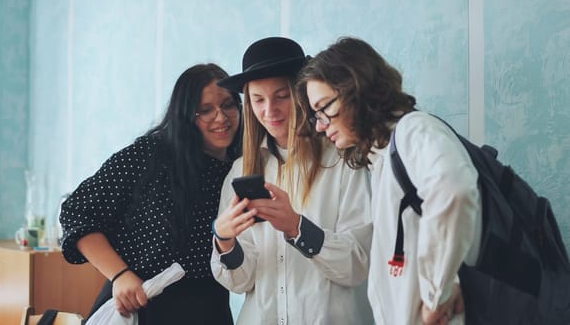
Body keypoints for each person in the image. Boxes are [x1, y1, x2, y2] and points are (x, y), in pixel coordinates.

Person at [295, 36, 481, 325]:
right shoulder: (383, 158)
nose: (319, 126)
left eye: (324, 108)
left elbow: (454, 191)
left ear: (356, 89)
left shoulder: (413, 131)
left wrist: (436, 297)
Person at [60, 63, 242, 325]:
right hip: (140, 306)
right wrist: (119, 275)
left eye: (228, 105)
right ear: (185, 115)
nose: (221, 117)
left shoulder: (241, 166)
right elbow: (77, 212)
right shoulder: (151, 155)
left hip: (209, 309)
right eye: (205, 110)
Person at [210, 37, 374, 325]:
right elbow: (240, 282)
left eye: (281, 96)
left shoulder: (343, 159)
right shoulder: (239, 172)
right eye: (258, 100)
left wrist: (299, 229)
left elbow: (358, 264)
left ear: (302, 94)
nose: (269, 111)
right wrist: (225, 241)